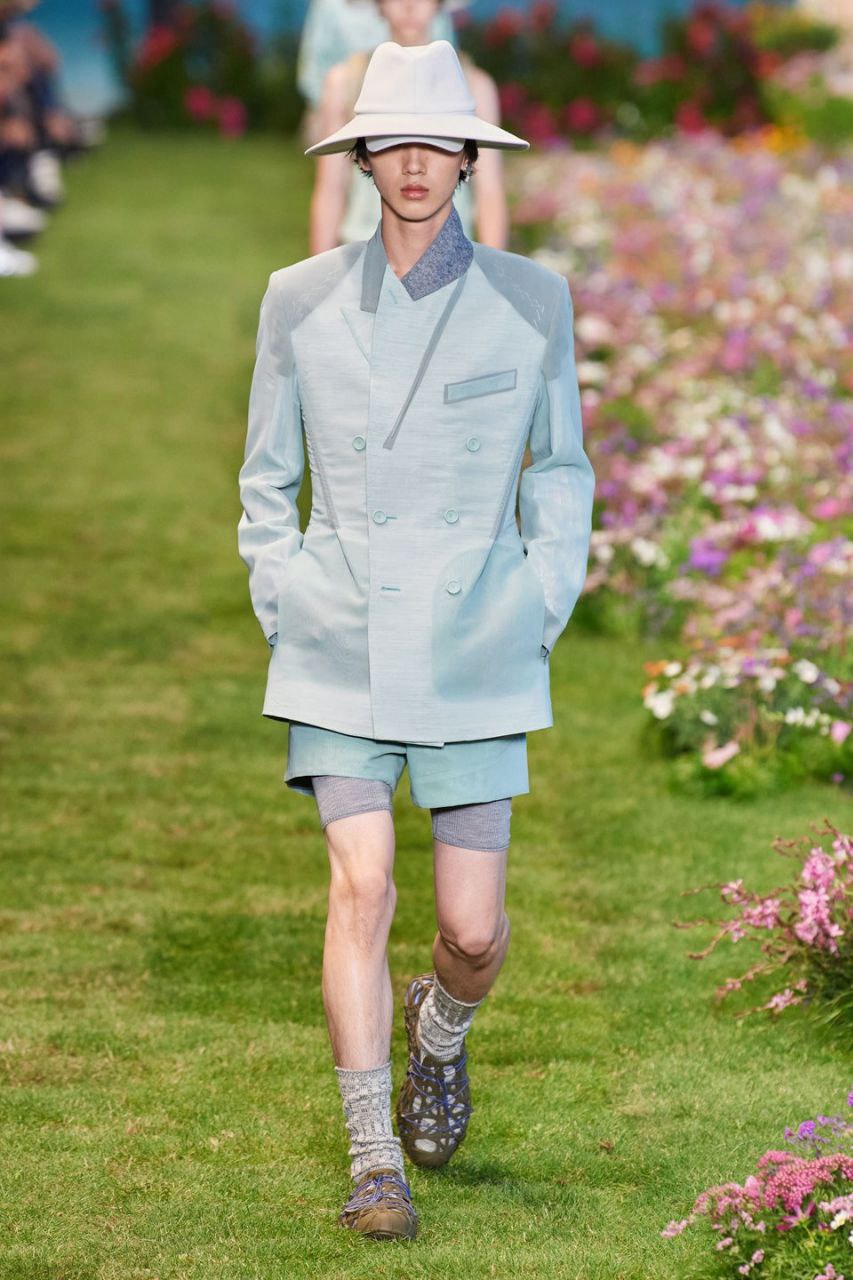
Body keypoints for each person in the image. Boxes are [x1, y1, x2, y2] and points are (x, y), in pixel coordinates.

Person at [237, 39, 595, 1241]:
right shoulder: (298, 297)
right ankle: (372, 1153)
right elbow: (265, 476)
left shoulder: (531, 299)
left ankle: (438, 1030)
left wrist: (540, 599)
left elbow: (561, 466)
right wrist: (286, 595)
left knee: (472, 933)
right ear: (360, 155)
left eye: (437, 142)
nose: (414, 163)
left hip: (477, 643)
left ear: (469, 157)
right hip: (338, 639)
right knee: (360, 883)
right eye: (392, 140)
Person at [309, 0, 508, 252]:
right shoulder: (346, 81)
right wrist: (321, 271)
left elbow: (489, 191)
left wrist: (494, 269)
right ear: (379, 4)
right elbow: (331, 188)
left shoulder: (473, 86)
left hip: (448, 254)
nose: (409, 5)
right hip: (363, 247)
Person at [297, 0, 457, 150]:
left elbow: (447, 54)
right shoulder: (344, 79)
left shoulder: (461, 76)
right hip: (351, 99)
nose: (409, 5)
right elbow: (315, 69)